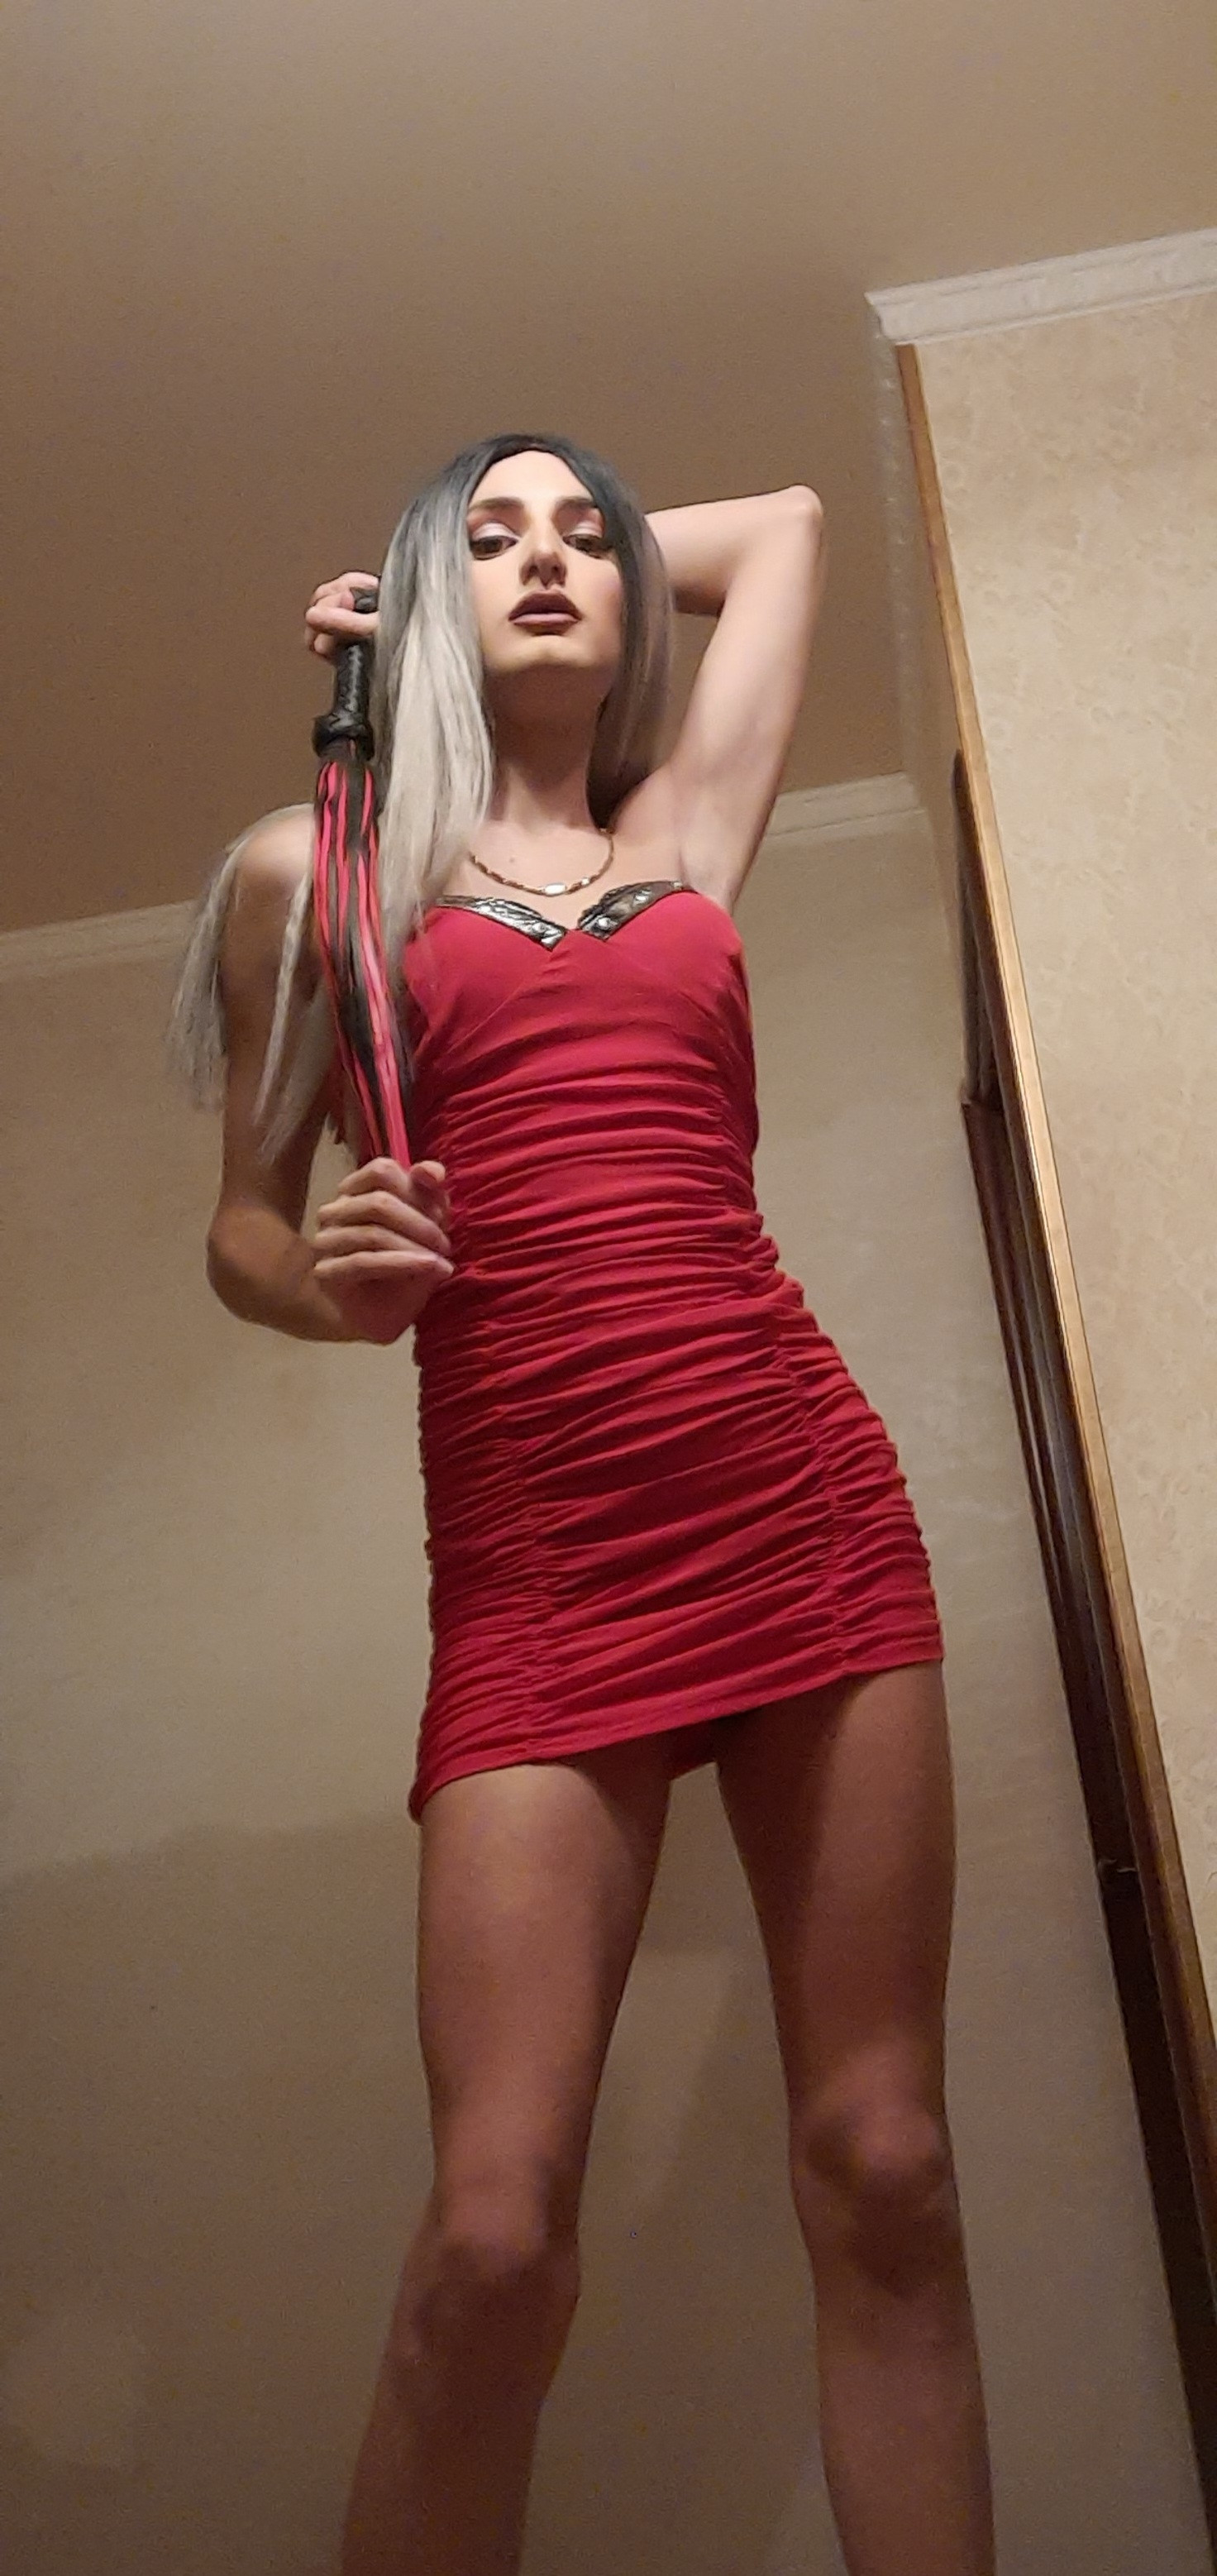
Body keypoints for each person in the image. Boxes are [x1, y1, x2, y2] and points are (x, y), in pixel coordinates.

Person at [170, 435, 995, 2576]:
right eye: (491, 539)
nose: (547, 562)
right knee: (493, 2236)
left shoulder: (687, 830)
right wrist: (333, 1286)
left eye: (582, 539)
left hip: (807, 1511)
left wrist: (440, 568)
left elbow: (786, 528)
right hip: (541, 1578)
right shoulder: (318, 873)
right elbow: (246, 1227)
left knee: (887, 2164)